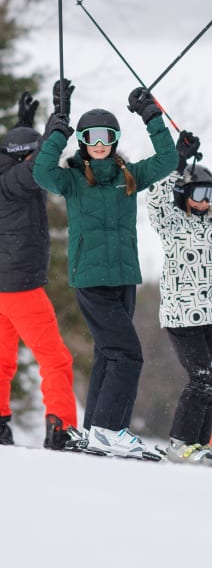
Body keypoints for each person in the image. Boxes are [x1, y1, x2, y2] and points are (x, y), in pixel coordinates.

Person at [32, 86, 177, 459]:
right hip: (92, 281)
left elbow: (168, 160)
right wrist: (57, 131)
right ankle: (112, 429)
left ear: (114, 140)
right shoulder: (74, 180)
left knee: (109, 354)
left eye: (106, 137)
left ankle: (97, 428)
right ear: (82, 142)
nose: (99, 144)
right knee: (128, 355)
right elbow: (42, 172)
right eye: (91, 137)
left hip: (124, 279)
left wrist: (152, 116)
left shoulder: (127, 176)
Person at [146, 119, 212, 466]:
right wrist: (177, 161)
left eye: (210, 194)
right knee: (202, 377)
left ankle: (198, 445)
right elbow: (157, 197)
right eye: (199, 194)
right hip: (181, 314)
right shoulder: (171, 221)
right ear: (185, 194)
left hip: (211, 313)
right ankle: (180, 443)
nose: (207, 201)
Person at [0, 85, 80, 450]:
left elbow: (22, 159)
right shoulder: (18, 180)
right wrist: (56, 131)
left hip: (4, 289)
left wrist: (26, 126)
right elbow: (36, 166)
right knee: (55, 359)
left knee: (2, 361)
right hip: (20, 290)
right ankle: (60, 426)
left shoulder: (6, 171)